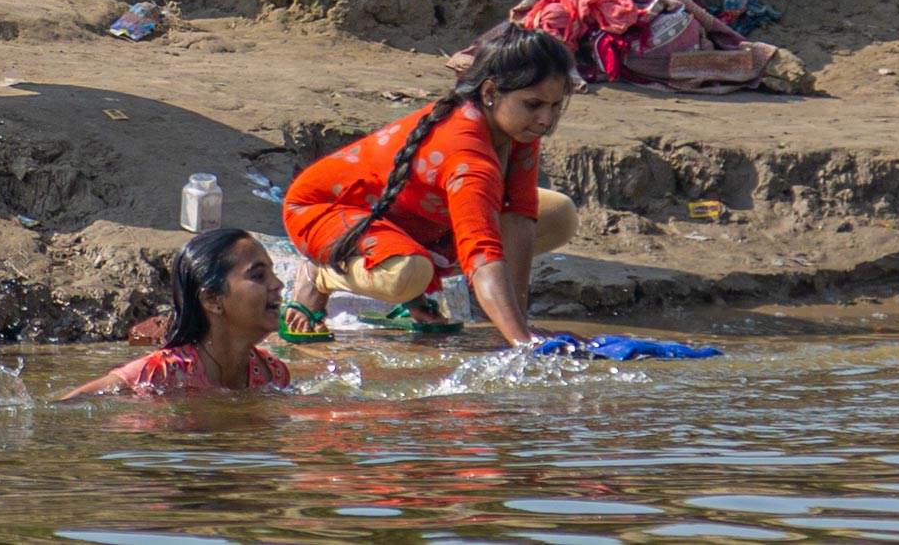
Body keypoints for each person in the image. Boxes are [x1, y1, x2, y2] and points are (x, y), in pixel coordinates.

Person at [280, 25, 580, 348]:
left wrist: (517, 329)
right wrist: (524, 344)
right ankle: (320, 273)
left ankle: (416, 281)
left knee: (558, 214)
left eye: (554, 106)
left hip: (417, 219)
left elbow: (517, 219)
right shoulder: (466, 157)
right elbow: (482, 257)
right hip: (326, 210)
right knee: (408, 274)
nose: (545, 120)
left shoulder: (516, 126)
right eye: (534, 105)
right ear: (490, 93)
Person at [58, 229, 292, 399]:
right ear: (212, 300)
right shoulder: (161, 372)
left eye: (272, 273)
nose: (278, 284)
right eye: (258, 276)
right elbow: (71, 404)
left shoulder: (274, 374)